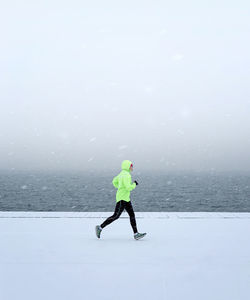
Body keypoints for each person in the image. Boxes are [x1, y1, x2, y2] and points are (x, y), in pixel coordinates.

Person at [95, 160, 146, 240]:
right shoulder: (126, 175)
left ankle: (136, 234)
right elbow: (128, 188)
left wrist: (120, 186)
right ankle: (100, 227)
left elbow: (114, 182)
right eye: (131, 165)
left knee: (131, 215)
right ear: (127, 166)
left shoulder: (121, 174)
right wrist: (134, 184)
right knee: (116, 216)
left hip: (125, 198)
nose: (132, 167)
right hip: (122, 199)